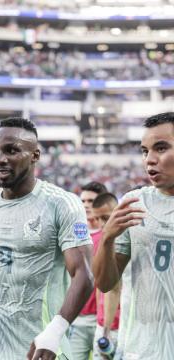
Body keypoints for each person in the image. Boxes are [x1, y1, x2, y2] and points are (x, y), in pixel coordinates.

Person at [0, 117, 93, 360]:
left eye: (12, 150)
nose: (0, 159)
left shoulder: (62, 204)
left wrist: (55, 332)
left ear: (35, 155)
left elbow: (84, 274)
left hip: (40, 349)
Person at [93, 112, 174, 359]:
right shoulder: (133, 203)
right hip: (141, 350)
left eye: (161, 148)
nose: (149, 160)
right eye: (144, 151)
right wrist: (107, 238)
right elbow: (105, 283)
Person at [70, 181, 107, 360]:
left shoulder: (112, 234)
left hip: (104, 319)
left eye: (91, 201)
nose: (85, 205)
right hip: (78, 317)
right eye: (83, 201)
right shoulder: (72, 235)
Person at [90, 193, 120, 359]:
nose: (102, 224)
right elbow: (100, 286)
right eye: (98, 219)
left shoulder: (127, 242)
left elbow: (115, 288)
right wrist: (100, 324)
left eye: (106, 217)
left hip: (122, 326)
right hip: (102, 325)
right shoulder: (101, 242)